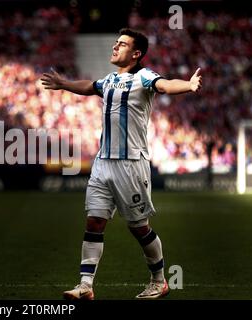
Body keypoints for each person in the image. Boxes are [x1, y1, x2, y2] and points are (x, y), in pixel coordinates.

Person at [41, 28, 202, 299]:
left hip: (131, 164)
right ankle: (85, 286)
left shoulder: (143, 76)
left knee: (139, 227)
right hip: (103, 163)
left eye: (122, 44)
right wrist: (64, 83)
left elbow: (165, 84)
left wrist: (187, 85)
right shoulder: (110, 80)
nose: (115, 47)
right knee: (94, 222)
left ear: (136, 53)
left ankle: (159, 280)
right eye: (115, 43)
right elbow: (90, 87)